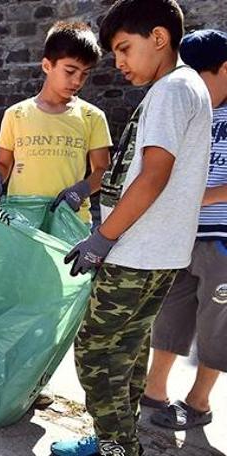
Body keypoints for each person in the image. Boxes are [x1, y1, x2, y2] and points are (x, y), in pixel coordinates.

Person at [51, 1, 212, 455]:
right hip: (160, 251)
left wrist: (102, 238)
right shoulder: (186, 86)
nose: (118, 62)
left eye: (124, 48)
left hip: (136, 251)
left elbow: (154, 173)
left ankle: (117, 446)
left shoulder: (169, 91)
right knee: (127, 349)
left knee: (96, 352)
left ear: (158, 38)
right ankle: (114, 440)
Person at [141, 29, 227, 432]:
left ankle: (198, 401)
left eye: (200, 79)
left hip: (222, 241)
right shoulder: (189, 109)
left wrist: (199, 196)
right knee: (168, 317)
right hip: (180, 236)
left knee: (217, 323)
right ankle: (153, 392)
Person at [0, 21, 112, 230]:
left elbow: (102, 170)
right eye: (70, 71)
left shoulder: (92, 116)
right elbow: (3, 163)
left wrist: (81, 191)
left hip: (71, 219)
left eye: (85, 73)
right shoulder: (16, 114)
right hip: (21, 220)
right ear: (47, 65)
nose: (77, 81)